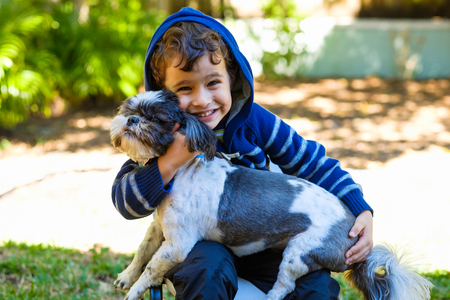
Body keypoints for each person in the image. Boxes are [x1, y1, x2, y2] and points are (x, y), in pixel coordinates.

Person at [112, 7, 373, 300]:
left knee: (317, 286)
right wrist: (169, 163)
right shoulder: (157, 140)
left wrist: (359, 206)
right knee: (207, 270)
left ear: (231, 78)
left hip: (263, 243)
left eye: (213, 83)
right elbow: (127, 203)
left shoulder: (253, 122)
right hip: (201, 247)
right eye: (185, 88)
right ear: (164, 96)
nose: (202, 100)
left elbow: (311, 162)